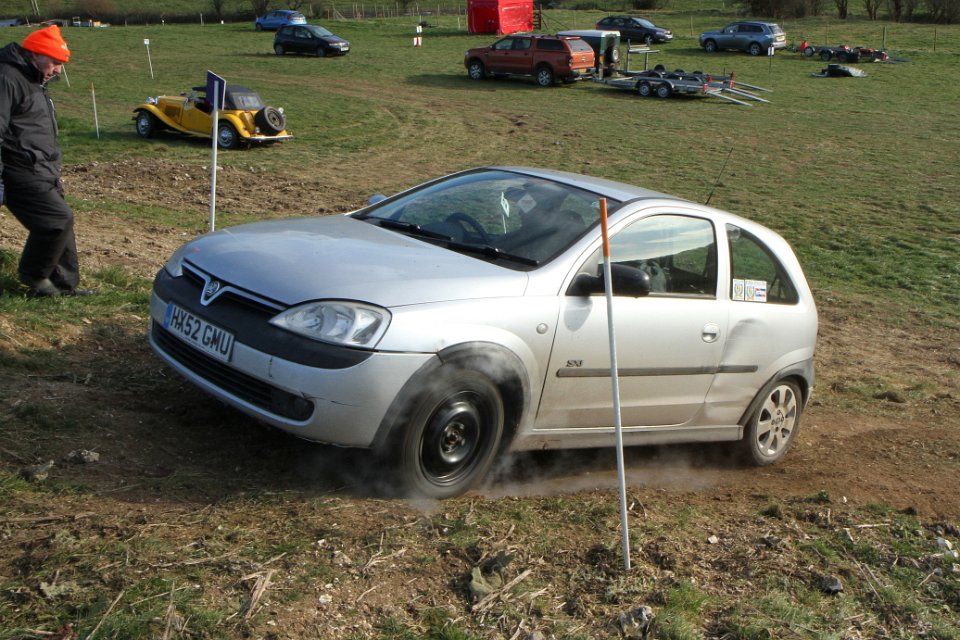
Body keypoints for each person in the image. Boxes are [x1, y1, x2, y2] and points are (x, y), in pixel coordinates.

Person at [0, 25, 92, 297]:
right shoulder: (7, 78)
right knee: (56, 220)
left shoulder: (34, 79)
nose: (58, 70)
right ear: (35, 55)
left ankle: (64, 287)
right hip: (19, 169)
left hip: (44, 168)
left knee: (64, 225)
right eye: (55, 62)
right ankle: (34, 275)